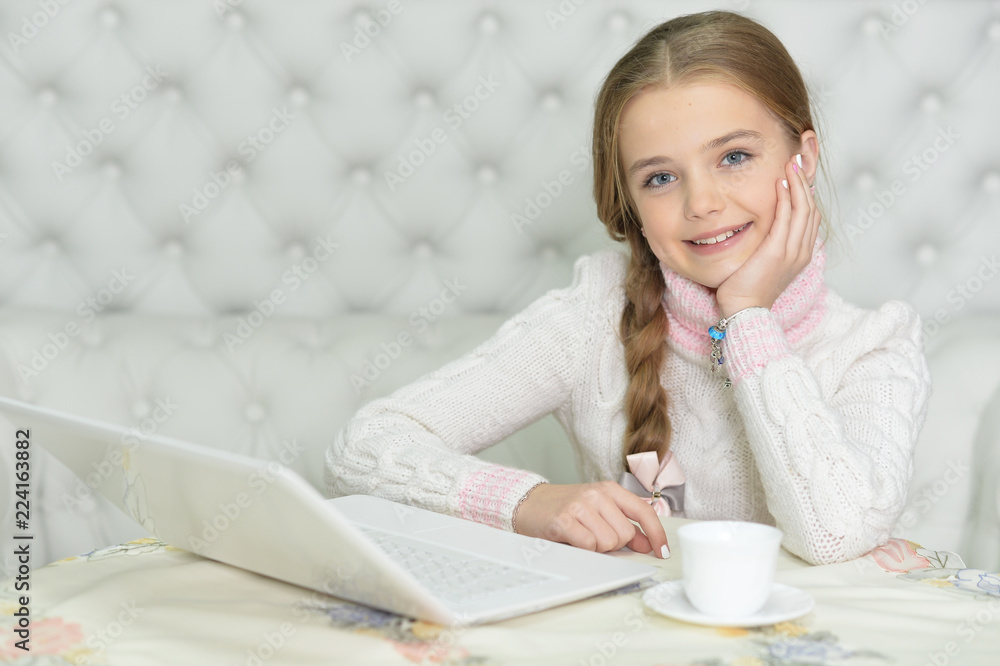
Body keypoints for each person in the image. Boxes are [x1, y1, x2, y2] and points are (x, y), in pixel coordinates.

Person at [325, 10, 931, 566]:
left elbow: (836, 535)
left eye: (734, 157)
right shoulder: (594, 313)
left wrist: (746, 317)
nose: (702, 203)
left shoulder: (874, 345)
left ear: (802, 158)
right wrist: (529, 502)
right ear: (631, 204)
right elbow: (361, 451)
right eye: (661, 177)